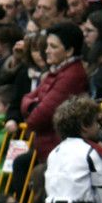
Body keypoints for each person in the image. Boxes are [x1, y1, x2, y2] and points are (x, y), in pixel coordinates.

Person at [21, 23, 89, 161]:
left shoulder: (72, 76)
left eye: (53, 46)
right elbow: (25, 99)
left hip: (56, 148)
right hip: (46, 146)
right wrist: (34, 105)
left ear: (69, 51)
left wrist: (33, 106)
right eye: (47, 45)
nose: (46, 51)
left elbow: (38, 118)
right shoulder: (57, 71)